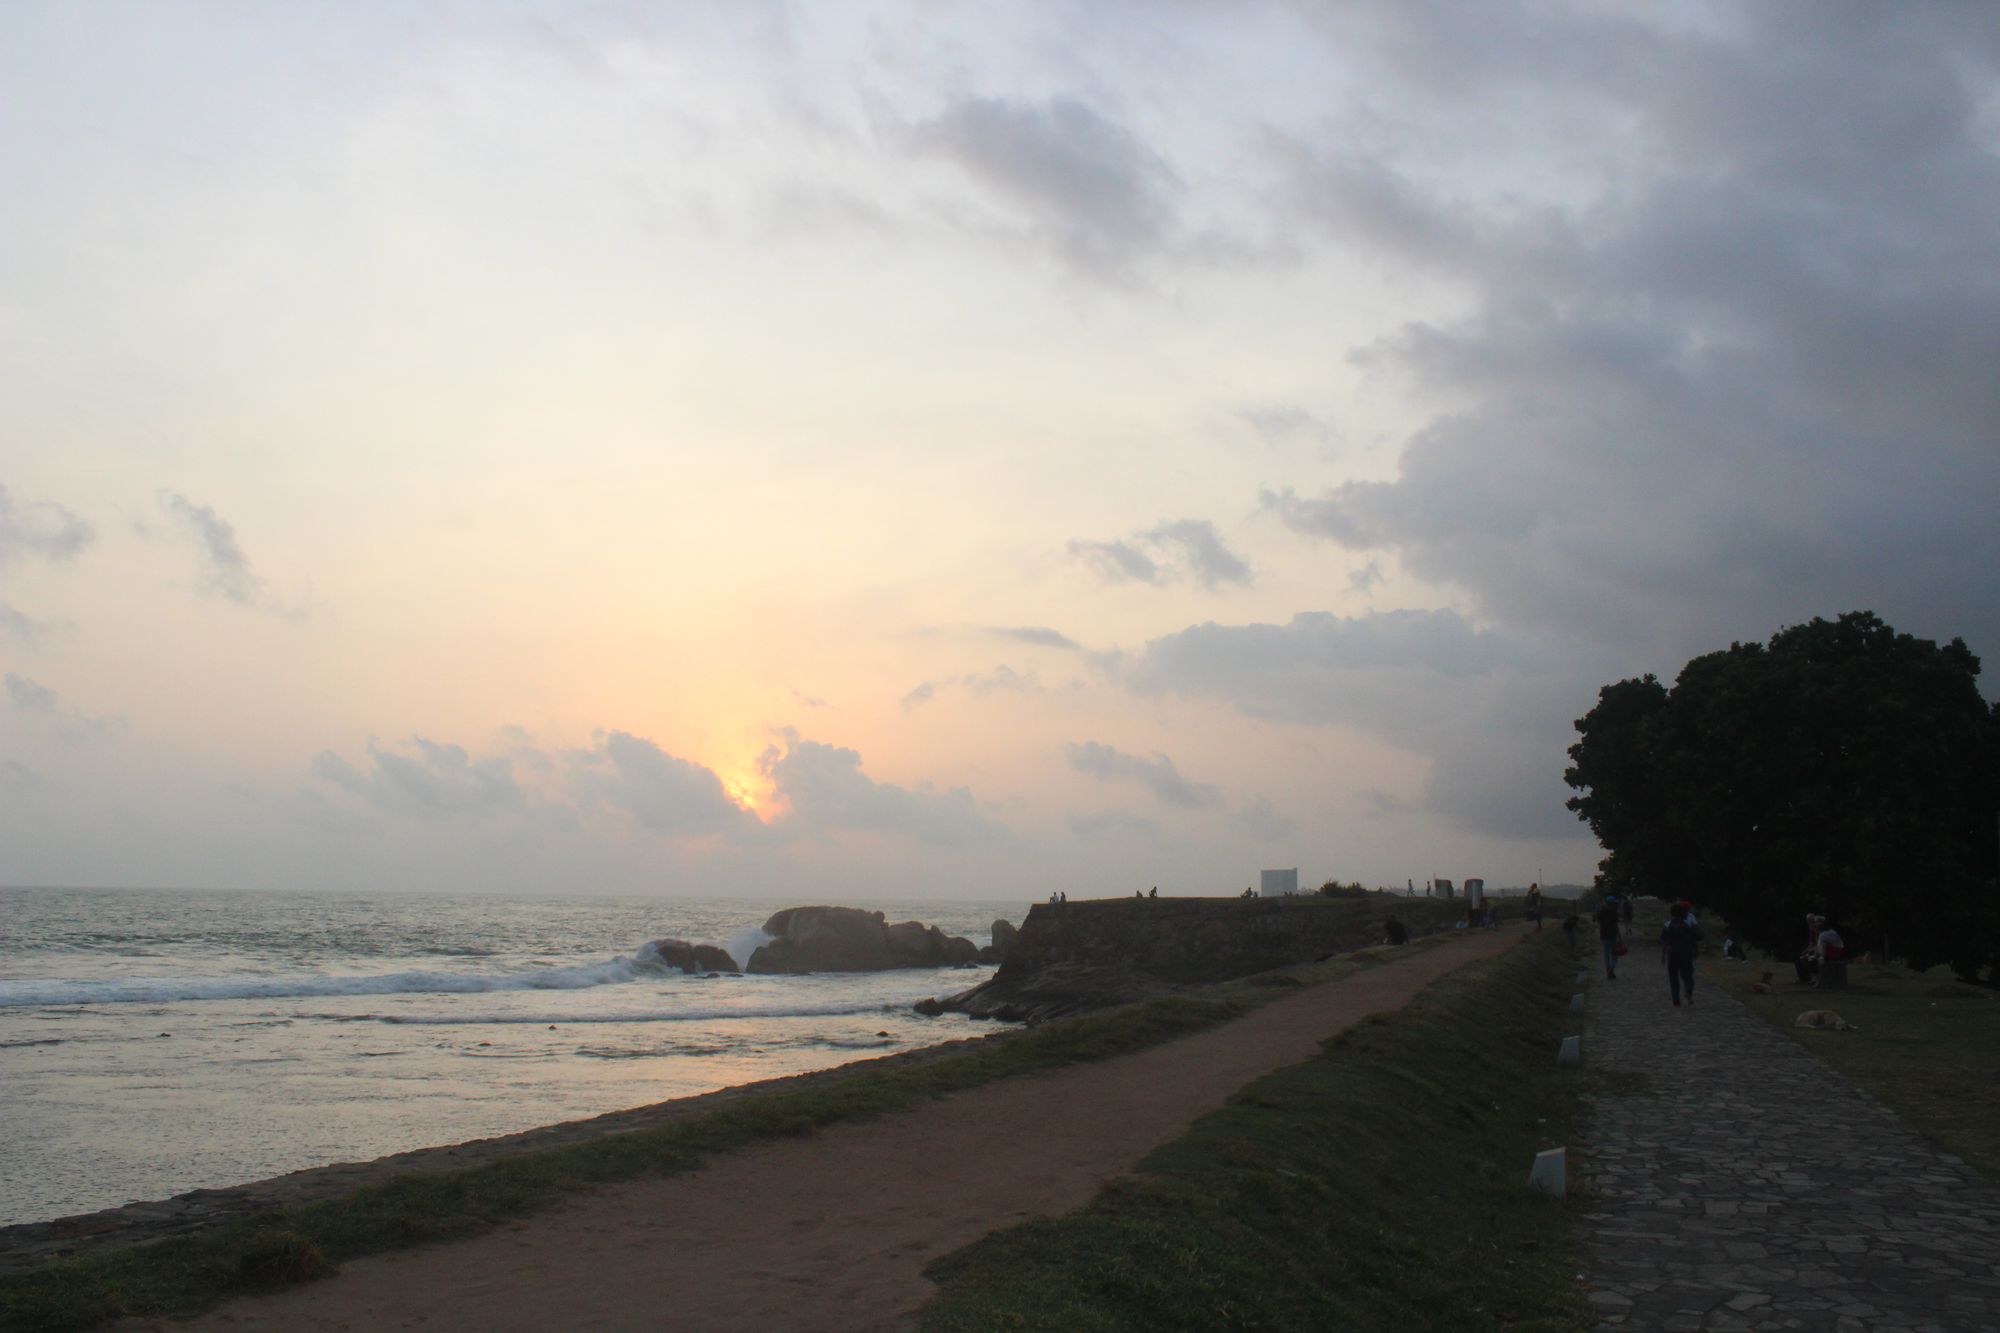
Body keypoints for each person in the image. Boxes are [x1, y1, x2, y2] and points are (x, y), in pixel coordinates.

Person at [1660, 897, 1704, 1007]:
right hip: (1686, 953)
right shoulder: (1688, 925)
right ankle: (1688, 990)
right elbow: (1695, 938)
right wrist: (1695, 950)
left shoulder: (1667, 924)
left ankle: (1676, 1001)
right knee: (1688, 975)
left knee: (1673, 978)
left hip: (1673, 954)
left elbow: (1665, 941)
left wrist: (1663, 955)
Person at [1596, 894, 1623, 980]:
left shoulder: (1601, 912)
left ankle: (1608, 971)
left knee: (1606, 955)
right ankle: (1611, 970)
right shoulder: (1614, 913)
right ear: (1613, 903)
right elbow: (1616, 926)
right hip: (1612, 936)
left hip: (1603, 935)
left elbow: (1599, 923)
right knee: (1614, 956)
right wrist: (1620, 937)